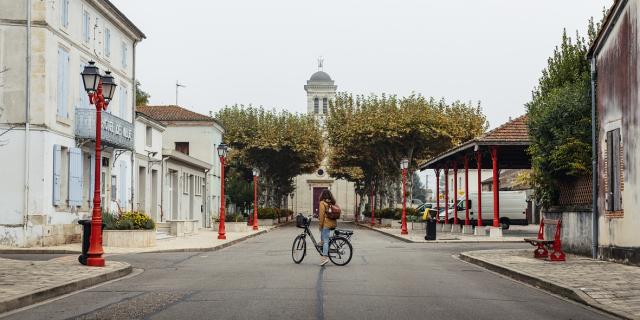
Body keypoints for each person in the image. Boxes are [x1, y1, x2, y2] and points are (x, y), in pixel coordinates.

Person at [318, 189, 337, 266]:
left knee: (325, 241)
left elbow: (322, 216)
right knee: (323, 239)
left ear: (322, 195)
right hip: (333, 223)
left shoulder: (322, 203)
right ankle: (323, 252)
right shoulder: (332, 202)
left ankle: (324, 258)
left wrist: (320, 225)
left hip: (326, 224)